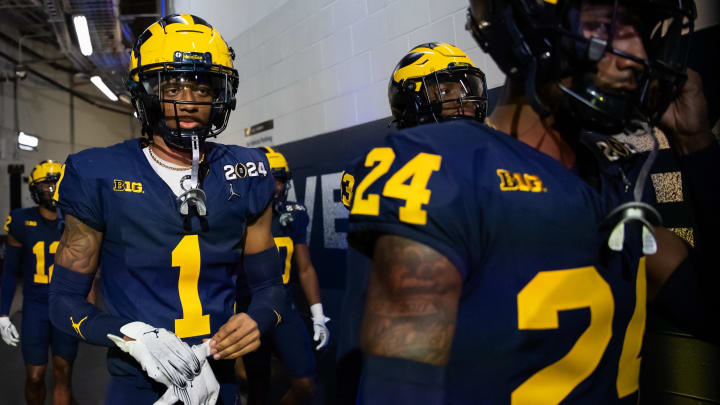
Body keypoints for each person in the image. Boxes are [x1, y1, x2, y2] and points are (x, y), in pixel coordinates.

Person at [345, 0, 717, 403]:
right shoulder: (448, 171)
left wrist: (694, 141)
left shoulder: (605, 181)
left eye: (639, 33)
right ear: (531, 30)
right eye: (606, 26)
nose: (637, 57)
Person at [48, 14, 287, 405]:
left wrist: (257, 319)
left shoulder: (247, 170)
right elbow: (63, 301)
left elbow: (271, 290)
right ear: (145, 91)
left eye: (202, 86)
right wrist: (132, 335)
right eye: (173, 85)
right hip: (136, 382)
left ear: (219, 94)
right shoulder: (98, 172)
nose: (188, 101)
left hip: (218, 374)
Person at [336, 42, 488, 404]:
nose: (463, 99)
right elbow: (364, 290)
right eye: (447, 89)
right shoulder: (379, 168)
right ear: (411, 102)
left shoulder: (492, 157)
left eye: (469, 87)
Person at [238, 146, 330, 405]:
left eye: (280, 179)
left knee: (306, 385)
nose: (276, 187)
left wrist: (318, 314)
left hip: (283, 308)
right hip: (249, 308)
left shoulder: (293, 213)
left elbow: (305, 267)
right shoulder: (238, 215)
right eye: (270, 179)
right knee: (254, 385)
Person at [0, 161, 81, 405]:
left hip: (66, 308)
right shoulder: (20, 221)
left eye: (57, 182)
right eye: (46, 183)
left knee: (63, 374)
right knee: (35, 377)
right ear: (35, 188)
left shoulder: (77, 222)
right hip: (35, 307)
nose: (52, 188)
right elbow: (9, 271)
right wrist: (3, 313)